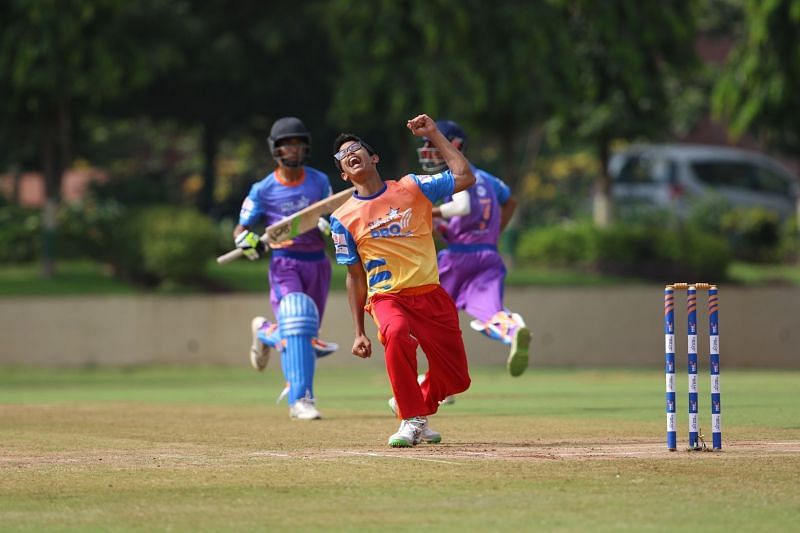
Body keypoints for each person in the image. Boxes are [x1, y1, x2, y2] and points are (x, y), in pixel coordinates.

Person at [329, 114, 476, 447]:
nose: (351, 154)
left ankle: (417, 404)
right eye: (343, 156)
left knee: (457, 379)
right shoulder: (342, 220)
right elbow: (353, 276)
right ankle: (411, 418)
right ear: (344, 173)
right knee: (395, 332)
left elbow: (465, 177)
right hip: (387, 297)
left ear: (374, 158)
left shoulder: (412, 186)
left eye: (356, 149)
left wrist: (435, 134)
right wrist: (358, 333)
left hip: (430, 294)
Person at [233, 116, 338, 420]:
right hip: (285, 263)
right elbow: (241, 230)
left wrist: (328, 223)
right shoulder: (262, 190)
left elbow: (332, 213)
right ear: (275, 149)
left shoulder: (318, 181)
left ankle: (265, 332)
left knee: (304, 336)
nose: (292, 149)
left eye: (297, 143)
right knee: (298, 321)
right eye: (286, 144)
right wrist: (246, 241)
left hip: (317, 263)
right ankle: (301, 400)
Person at [419, 119, 531, 378]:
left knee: (431, 317)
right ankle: (514, 330)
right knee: (491, 312)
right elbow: (510, 201)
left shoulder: (453, 175)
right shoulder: (489, 178)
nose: (427, 149)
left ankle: (437, 376)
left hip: (457, 259)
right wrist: (494, 233)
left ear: (454, 145)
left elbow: (462, 207)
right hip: (489, 255)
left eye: (432, 143)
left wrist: (426, 211)